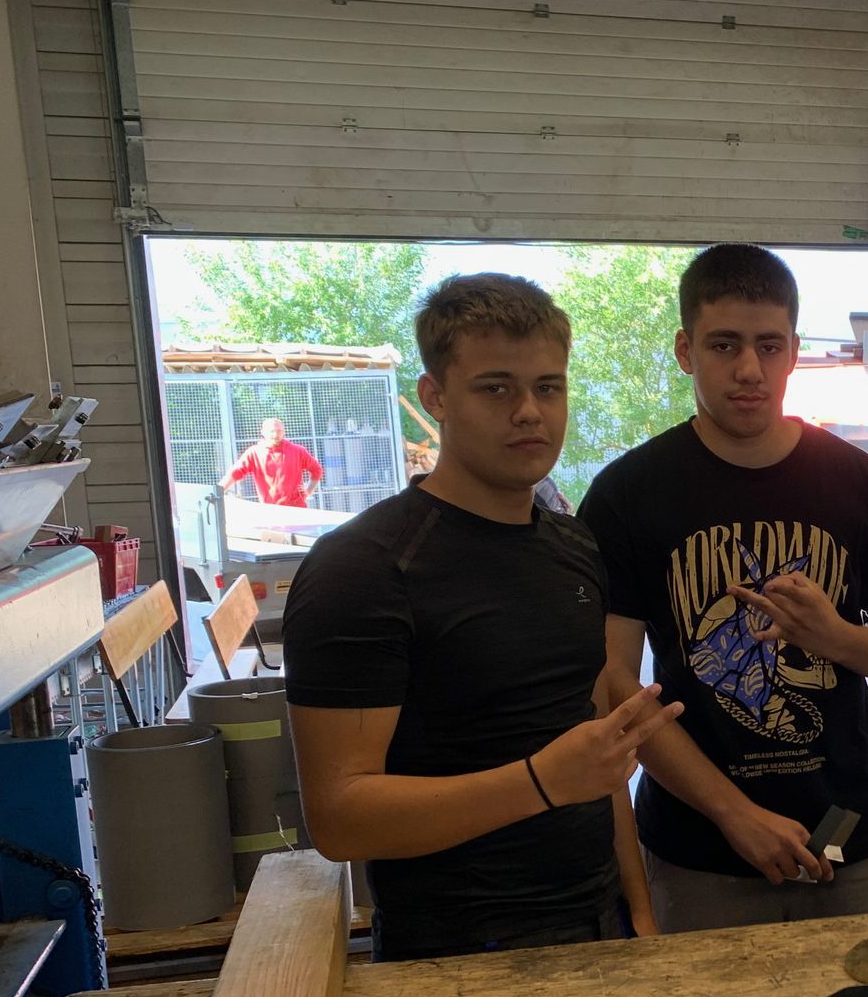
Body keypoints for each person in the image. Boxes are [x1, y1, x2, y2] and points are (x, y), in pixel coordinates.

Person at [281, 273, 681, 961]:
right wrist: (541, 781)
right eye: (496, 388)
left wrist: (637, 912)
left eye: (548, 387)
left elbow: (595, 754)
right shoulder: (364, 569)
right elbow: (340, 820)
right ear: (434, 396)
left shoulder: (574, 546)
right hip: (455, 954)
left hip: (600, 928)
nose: (529, 412)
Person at [578, 243, 868, 932]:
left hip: (847, 834)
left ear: (793, 352)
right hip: (700, 847)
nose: (749, 369)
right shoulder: (628, 494)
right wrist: (733, 813)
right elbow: (611, 683)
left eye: (769, 346)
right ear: (686, 350)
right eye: (724, 345)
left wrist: (832, 636)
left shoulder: (858, 482)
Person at [218, 416, 324, 508]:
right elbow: (235, 472)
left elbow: (317, 470)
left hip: (297, 509)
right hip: (270, 510)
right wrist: (219, 491)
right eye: (272, 431)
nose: (276, 434)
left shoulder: (298, 451)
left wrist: (309, 490)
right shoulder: (254, 453)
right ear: (263, 433)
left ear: (284, 432)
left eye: (279, 431)